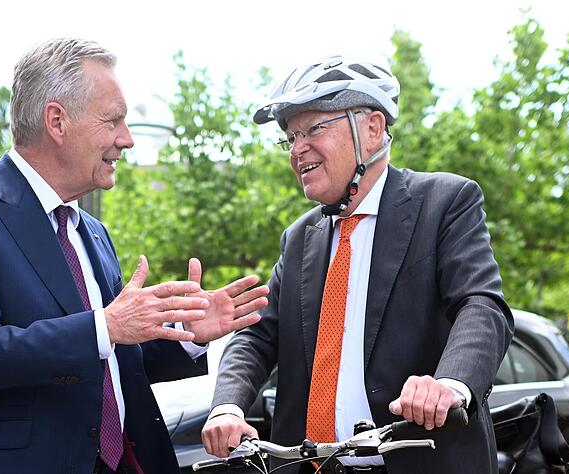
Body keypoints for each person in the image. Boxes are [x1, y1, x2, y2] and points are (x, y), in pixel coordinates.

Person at [0, 38, 268, 474]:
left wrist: (187, 333)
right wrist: (107, 324)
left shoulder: (92, 231)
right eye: (113, 120)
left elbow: (113, 356)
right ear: (57, 121)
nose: (128, 139)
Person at [201, 56, 514, 473]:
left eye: (313, 129)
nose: (297, 149)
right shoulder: (298, 238)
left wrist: (449, 385)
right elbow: (258, 337)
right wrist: (227, 407)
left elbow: (481, 305)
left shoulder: (444, 202)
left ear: (372, 129)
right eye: (291, 137)